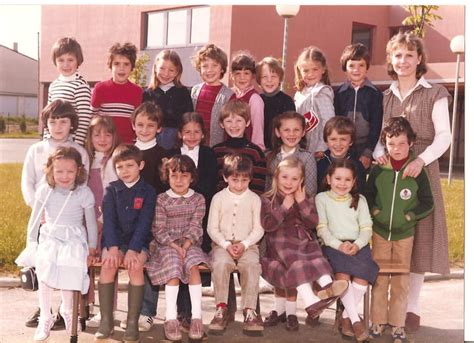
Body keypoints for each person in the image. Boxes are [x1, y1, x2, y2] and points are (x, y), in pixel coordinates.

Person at [373, 32, 452, 333]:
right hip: (391, 175)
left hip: (422, 169)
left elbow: (444, 136)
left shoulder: (435, 92)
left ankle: (411, 308)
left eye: (409, 55)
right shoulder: (386, 96)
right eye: (398, 55)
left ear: (419, 59)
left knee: (418, 237)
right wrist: (381, 154)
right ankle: (385, 308)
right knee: (393, 238)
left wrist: (421, 160)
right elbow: (382, 135)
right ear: (391, 61)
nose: (403, 61)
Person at [16, 146, 97, 341]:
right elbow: (34, 219)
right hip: (51, 235)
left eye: (70, 171)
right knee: (45, 266)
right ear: (50, 170)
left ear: (78, 170)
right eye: (59, 171)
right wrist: (31, 243)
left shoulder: (83, 193)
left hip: (74, 238)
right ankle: (46, 316)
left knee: (71, 266)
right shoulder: (45, 190)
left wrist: (92, 247)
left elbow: (91, 223)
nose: (64, 176)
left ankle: (68, 310)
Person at [367, 116, 434, 343]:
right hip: (380, 234)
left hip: (404, 235)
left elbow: (428, 202)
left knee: (400, 281)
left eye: (401, 144)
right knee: (380, 278)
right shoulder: (379, 170)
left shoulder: (416, 171)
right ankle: (377, 322)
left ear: (411, 143)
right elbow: (368, 196)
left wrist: (409, 216)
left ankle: (397, 325)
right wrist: (376, 212)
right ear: (385, 142)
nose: (396, 149)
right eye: (391, 143)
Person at [260, 156, 348, 325]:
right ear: (276, 177)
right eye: (284, 177)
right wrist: (284, 207)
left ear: (301, 180)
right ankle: (312, 302)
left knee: (316, 259)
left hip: (304, 240)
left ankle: (328, 288)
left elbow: (313, 222)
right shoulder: (267, 199)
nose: (289, 182)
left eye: (294, 178)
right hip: (281, 243)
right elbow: (268, 225)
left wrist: (301, 202)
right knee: (296, 264)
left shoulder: (305, 197)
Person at [95, 144, 157, 342]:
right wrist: (113, 248)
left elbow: (145, 223)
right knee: (108, 265)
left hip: (139, 242)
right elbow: (110, 221)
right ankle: (106, 321)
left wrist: (133, 249)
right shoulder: (111, 190)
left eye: (129, 165)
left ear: (141, 165)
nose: (124, 171)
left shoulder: (148, 191)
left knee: (136, 266)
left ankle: (132, 322)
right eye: (120, 167)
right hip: (115, 241)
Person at [146, 155, 210, 341]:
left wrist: (187, 244)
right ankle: (171, 318)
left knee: (192, 265)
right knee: (174, 268)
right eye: (174, 176)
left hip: (191, 243)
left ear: (192, 177)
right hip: (166, 245)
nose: (179, 180)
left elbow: (196, 225)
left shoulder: (198, 199)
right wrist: (175, 245)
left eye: (184, 175)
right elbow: (159, 228)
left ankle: (197, 317)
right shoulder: (162, 199)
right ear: (167, 176)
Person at [316, 159, 379, 342]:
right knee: (342, 276)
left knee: (362, 276)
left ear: (354, 182)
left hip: (358, 245)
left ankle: (346, 318)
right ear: (328, 179)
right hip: (333, 246)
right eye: (338, 178)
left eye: (347, 180)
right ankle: (356, 322)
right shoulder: (322, 199)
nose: (342, 184)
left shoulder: (360, 200)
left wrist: (358, 244)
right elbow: (322, 228)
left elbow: (367, 227)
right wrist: (338, 245)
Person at [167, 112, 218, 331]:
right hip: (174, 217)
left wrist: (191, 198)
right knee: (178, 259)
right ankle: (181, 313)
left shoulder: (208, 154)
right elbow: (166, 183)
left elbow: (210, 183)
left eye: (197, 132)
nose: (192, 136)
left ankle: (191, 314)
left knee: (192, 261)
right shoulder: (171, 154)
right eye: (187, 131)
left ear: (203, 134)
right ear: (179, 133)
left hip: (199, 216)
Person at [207, 154, 264, 334]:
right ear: (225, 177)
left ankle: (249, 311)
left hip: (248, 245)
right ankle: (221, 308)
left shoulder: (255, 199)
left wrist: (245, 244)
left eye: (244, 180)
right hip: (222, 245)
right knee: (221, 264)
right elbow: (212, 228)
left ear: (250, 179)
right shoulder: (218, 198)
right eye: (234, 179)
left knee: (251, 266)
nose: (239, 184)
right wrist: (225, 244)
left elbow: (259, 229)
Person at [84, 115, 120, 328]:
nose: (103, 138)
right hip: (87, 221)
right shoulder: (87, 160)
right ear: (90, 137)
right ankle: (83, 305)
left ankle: (107, 309)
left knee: (108, 264)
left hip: (107, 221)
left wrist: (101, 220)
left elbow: (114, 196)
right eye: (97, 134)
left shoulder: (114, 160)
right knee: (87, 263)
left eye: (108, 134)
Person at [334, 43, 383, 169]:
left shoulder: (375, 94)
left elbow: (376, 125)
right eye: (351, 65)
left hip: (365, 148)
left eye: (361, 65)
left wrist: (368, 152)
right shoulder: (338, 93)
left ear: (367, 67)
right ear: (345, 67)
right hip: (342, 148)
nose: (356, 69)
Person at [91, 42, 142, 144]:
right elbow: (92, 118)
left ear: (132, 67)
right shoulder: (100, 88)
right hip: (104, 144)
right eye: (117, 63)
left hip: (126, 144)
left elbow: (137, 120)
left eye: (126, 64)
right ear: (110, 66)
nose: (121, 68)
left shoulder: (137, 91)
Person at [212, 100, 266, 194]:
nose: (234, 125)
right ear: (222, 124)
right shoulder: (216, 151)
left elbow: (259, 187)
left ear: (248, 122)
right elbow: (213, 183)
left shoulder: (256, 152)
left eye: (239, 120)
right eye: (229, 121)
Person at [143, 49, 194, 149]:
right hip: (151, 140)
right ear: (155, 69)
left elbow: (188, 118)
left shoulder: (183, 92)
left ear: (177, 72)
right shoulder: (147, 93)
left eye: (171, 70)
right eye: (162, 68)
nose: (166, 74)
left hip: (176, 141)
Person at [46, 37, 92, 146]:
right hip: (54, 141)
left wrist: (77, 145)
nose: (65, 64)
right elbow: (48, 116)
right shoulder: (53, 85)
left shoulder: (81, 86)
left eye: (70, 60)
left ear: (78, 61)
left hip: (72, 141)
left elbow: (84, 119)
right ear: (55, 62)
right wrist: (46, 141)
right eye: (61, 60)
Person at [294, 46, 335, 159]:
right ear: (299, 70)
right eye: (306, 70)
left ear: (323, 69)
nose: (310, 74)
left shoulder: (322, 92)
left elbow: (328, 121)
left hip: (317, 150)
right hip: (302, 146)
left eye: (315, 69)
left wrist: (322, 147)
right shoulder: (299, 93)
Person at [265, 111, 317, 197]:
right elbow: (268, 189)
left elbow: (310, 192)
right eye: (286, 130)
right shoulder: (270, 157)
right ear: (278, 132)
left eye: (296, 130)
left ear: (303, 132)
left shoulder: (307, 158)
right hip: (274, 208)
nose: (291, 134)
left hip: (299, 207)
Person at [191, 43, 234, 146]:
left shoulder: (228, 95)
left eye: (214, 65)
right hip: (195, 145)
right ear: (199, 69)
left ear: (222, 68)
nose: (209, 70)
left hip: (217, 148)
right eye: (205, 66)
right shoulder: (195, 91)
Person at [317, 116, 367, 193]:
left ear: (351, 142)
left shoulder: (357, 166)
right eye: (333, 139)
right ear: (326, 141)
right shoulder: (320, 165)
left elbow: (361, 194)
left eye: (343, 139)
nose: (338, 144)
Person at [256, 56, 295, 150]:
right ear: (259, 80)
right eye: (265, 77)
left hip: (281, 150)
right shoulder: (257, 100)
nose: (269, 80)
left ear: (280, 79)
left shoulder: (287, 101)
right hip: (261, 150)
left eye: (273, 76)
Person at [229, 52, 265, 151]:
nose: (242, 77)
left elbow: (258, 129)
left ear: (253, 76)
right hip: (228, 148)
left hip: (246, 150)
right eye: (238, 73)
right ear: (231, 75)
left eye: (246, 73)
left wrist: (257, 150)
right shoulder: (228, 95)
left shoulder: (254, 99)